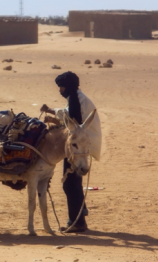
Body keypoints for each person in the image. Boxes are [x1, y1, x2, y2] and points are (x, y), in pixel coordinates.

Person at [40, 71, 102, 233]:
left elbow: (74, 123)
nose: (60, 91)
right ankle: (81, 212)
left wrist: (53, 114)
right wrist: (53, 114)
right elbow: (71, 118)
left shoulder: (78, 101)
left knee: (70, 184)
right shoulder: (76, 98)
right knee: (74, 183)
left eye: (61, 87)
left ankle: (77, 222)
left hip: (79, 147)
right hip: (78, 144)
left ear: (66, 87)